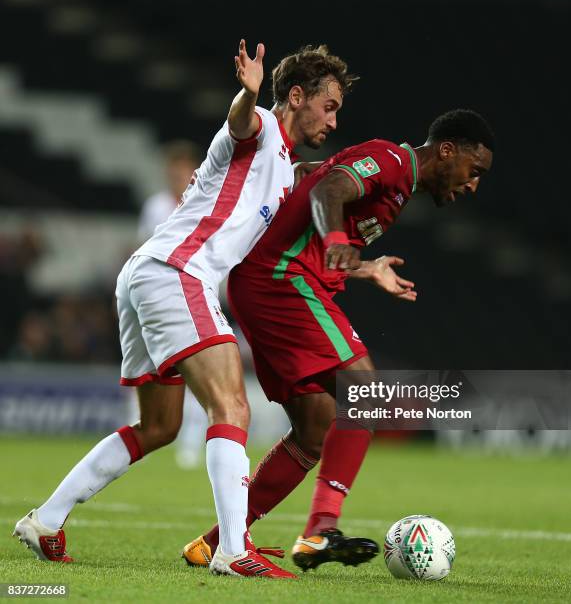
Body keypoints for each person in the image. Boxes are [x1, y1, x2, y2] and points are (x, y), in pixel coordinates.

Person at [13, 40, 356, 580]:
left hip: (147, 274)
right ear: (296, 96)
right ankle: (231, 549)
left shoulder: (286, 170)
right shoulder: (262, 125)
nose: (334, 119)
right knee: (232, 409)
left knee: (159, 425)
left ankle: (46, 521)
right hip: (177, 274)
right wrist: (246, 93)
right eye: (329, 105)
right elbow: (241, 121)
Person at [182, 109, 494, 571]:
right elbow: (329, 189)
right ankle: (321, 530)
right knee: (366, 397)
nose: (473, 185)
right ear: (447, 150)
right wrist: (332, 237)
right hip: (282, 280)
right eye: (474, 171)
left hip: (268, 285)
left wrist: (366, 268)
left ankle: (213, 542)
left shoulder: (398, 186)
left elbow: (314, 177)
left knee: (314, 430)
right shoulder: (389, 160)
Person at [137, 140, 208, 470]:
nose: (177, 175)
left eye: (182, 169)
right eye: (173, 169)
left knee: (197, 377)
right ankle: (142, 433)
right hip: (157, 299)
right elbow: (142, 249)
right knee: (150, 372)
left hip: (196, 298)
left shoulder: (202, 203)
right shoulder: (155, 207)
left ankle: (191, 445)